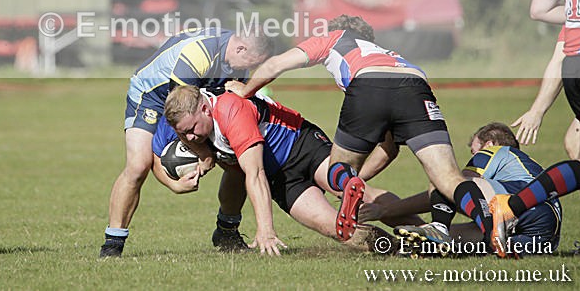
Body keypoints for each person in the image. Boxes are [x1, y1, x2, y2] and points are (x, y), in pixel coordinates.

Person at [226, 15, 494, 247]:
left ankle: (345, 178)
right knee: (448, 178)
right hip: (416, 84)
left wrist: (245, 90)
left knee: (337, 168)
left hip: (368, 84)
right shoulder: (389, 54)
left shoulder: (334, 37)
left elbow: (274, 65)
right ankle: (491, 225)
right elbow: (389, 149)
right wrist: (358, 180)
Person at [162, 85, 406, 255]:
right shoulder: (185, 122)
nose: (190, 137)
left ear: (205, 109)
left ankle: (429, 235)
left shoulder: (230, 111)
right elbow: (152, 156)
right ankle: (401, 249)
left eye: (193, 129)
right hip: (282, 179)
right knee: (338, 230)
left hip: (302, 145)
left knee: (356, 195)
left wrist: (265, 230)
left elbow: (255, 174)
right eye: (183, 134)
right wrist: (197, 166)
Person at [99, 28, 274, 258]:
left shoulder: (238, 63)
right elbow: (179, 116)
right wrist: (202, 158)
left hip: (193, 98)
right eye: (251, 62)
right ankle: (113, 243)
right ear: (240, 48)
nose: (250, 69)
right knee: (139, 164)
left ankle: (227, 230)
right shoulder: (199, 55)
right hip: (152, 95)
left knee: (238, 161)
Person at [489, 0, 580, 257]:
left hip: (575, 65)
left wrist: (538, 109)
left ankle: (510, 207)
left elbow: (540, 13)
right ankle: (512, 207)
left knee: (576, 145)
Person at [374, 123, 562, 258]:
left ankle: (441, 228)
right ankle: (421, 240)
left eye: (474, 151)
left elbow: (450, 187)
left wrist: (387, 210)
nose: (473, 157)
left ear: (488, 144)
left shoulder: (496, 151)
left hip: (521, 202)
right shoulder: (522, 164)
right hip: (546, 232)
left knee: (444, 180)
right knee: (430, 240)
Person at [511, 0, 580, 157]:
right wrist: (536, 111)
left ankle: (526, 197)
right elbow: (559, 58)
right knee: (574, 142)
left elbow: (538, 10)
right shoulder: (575, 12)